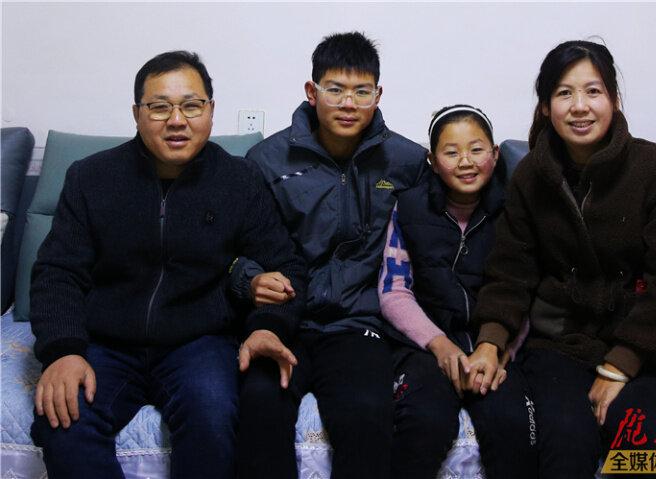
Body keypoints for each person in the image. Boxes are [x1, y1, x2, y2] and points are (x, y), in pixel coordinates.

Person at [29, 50, 305, 479]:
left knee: (213, 418)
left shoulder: (239, 180)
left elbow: (285, 268)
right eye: (159, 107)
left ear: (210, 110)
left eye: (191, 105)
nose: (177, 120)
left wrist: (268, 326)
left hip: (199, 343)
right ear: (137, 114)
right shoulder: (91, 177)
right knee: (63, 422)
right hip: (106, 343)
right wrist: (62, 350)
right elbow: (57, 272)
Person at [468, 40, 656, 478]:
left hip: (649, 350)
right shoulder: (531, 177)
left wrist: (620, 365)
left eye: (593, 91)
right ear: (545, 106)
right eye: (564, 93)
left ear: (614, 98)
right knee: (565, 441)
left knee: (639, 440)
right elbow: (510, 270)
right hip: (561, 346)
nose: (580, 106)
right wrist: (490, 340)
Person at [234, 32, 427, 479]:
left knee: (366, 413)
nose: (348, 103)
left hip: (358, 324)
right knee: (259, 404)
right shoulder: (266, 160)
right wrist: (250, 279)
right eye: (335, 89)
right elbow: (238, 246)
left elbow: (423, 248)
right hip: (284, 319)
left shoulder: (407, 162)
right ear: (312, 91)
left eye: (362, 92)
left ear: (378, 95)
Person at [378, 104, 537, 478]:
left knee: (512, 424)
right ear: (432, 162)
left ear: (494, 154)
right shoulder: (409, 207)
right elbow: (394, 290)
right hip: (425, 346)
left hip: (495, 346)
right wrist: (440, 345)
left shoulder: (516, 209)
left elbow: (527, 291)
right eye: (451, 152)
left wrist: (500, 351)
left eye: (476, 149)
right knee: (423, 420)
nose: (466, 162)